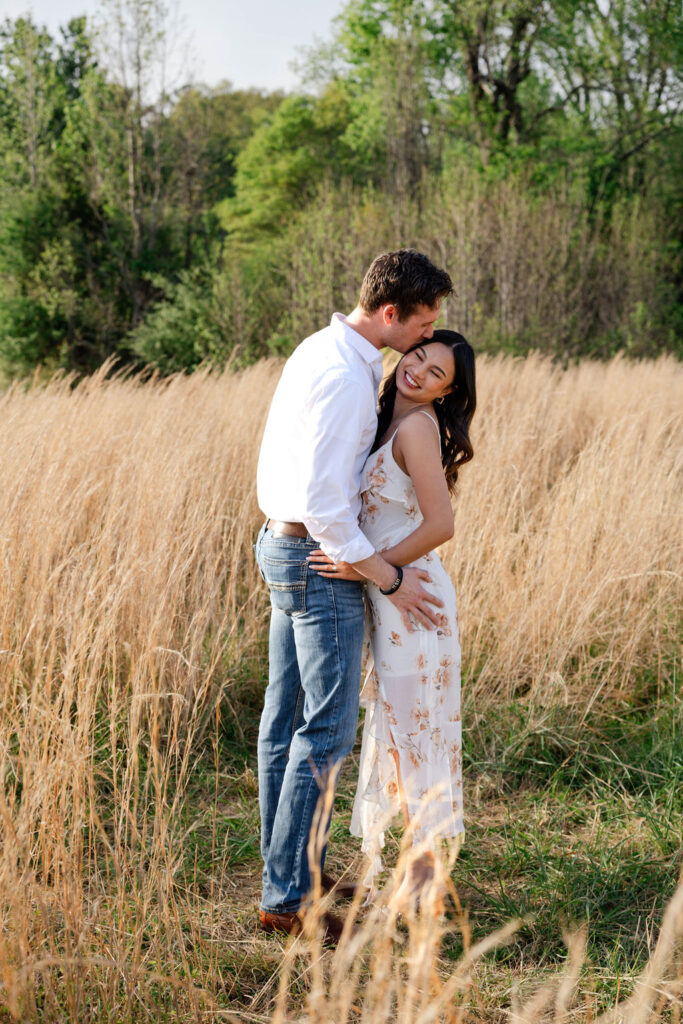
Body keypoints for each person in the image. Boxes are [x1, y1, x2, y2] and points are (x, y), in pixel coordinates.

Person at [254, 250, 453, 943]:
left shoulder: (324, 349)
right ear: (391, 312)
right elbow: (327, 507)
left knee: (285, 722)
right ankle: (287, 899)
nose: (425, 336)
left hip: (283, 543)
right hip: (315, 556)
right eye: (423, 321)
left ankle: (288, 871)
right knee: (324, 732)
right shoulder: (344, 375)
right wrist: (389, 576)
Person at [309, 330, 476, 910]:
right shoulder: (388, 422)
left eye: (436, 375)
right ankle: (418, 869)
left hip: (416, 599)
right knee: (400, 727)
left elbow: (440, 525)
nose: (419, 373)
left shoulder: (416, 428)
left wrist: (372, 570)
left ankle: (425, 878)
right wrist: (377, 575)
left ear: (446, 393)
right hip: (394, 593)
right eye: (418, 358)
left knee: (415, 731)